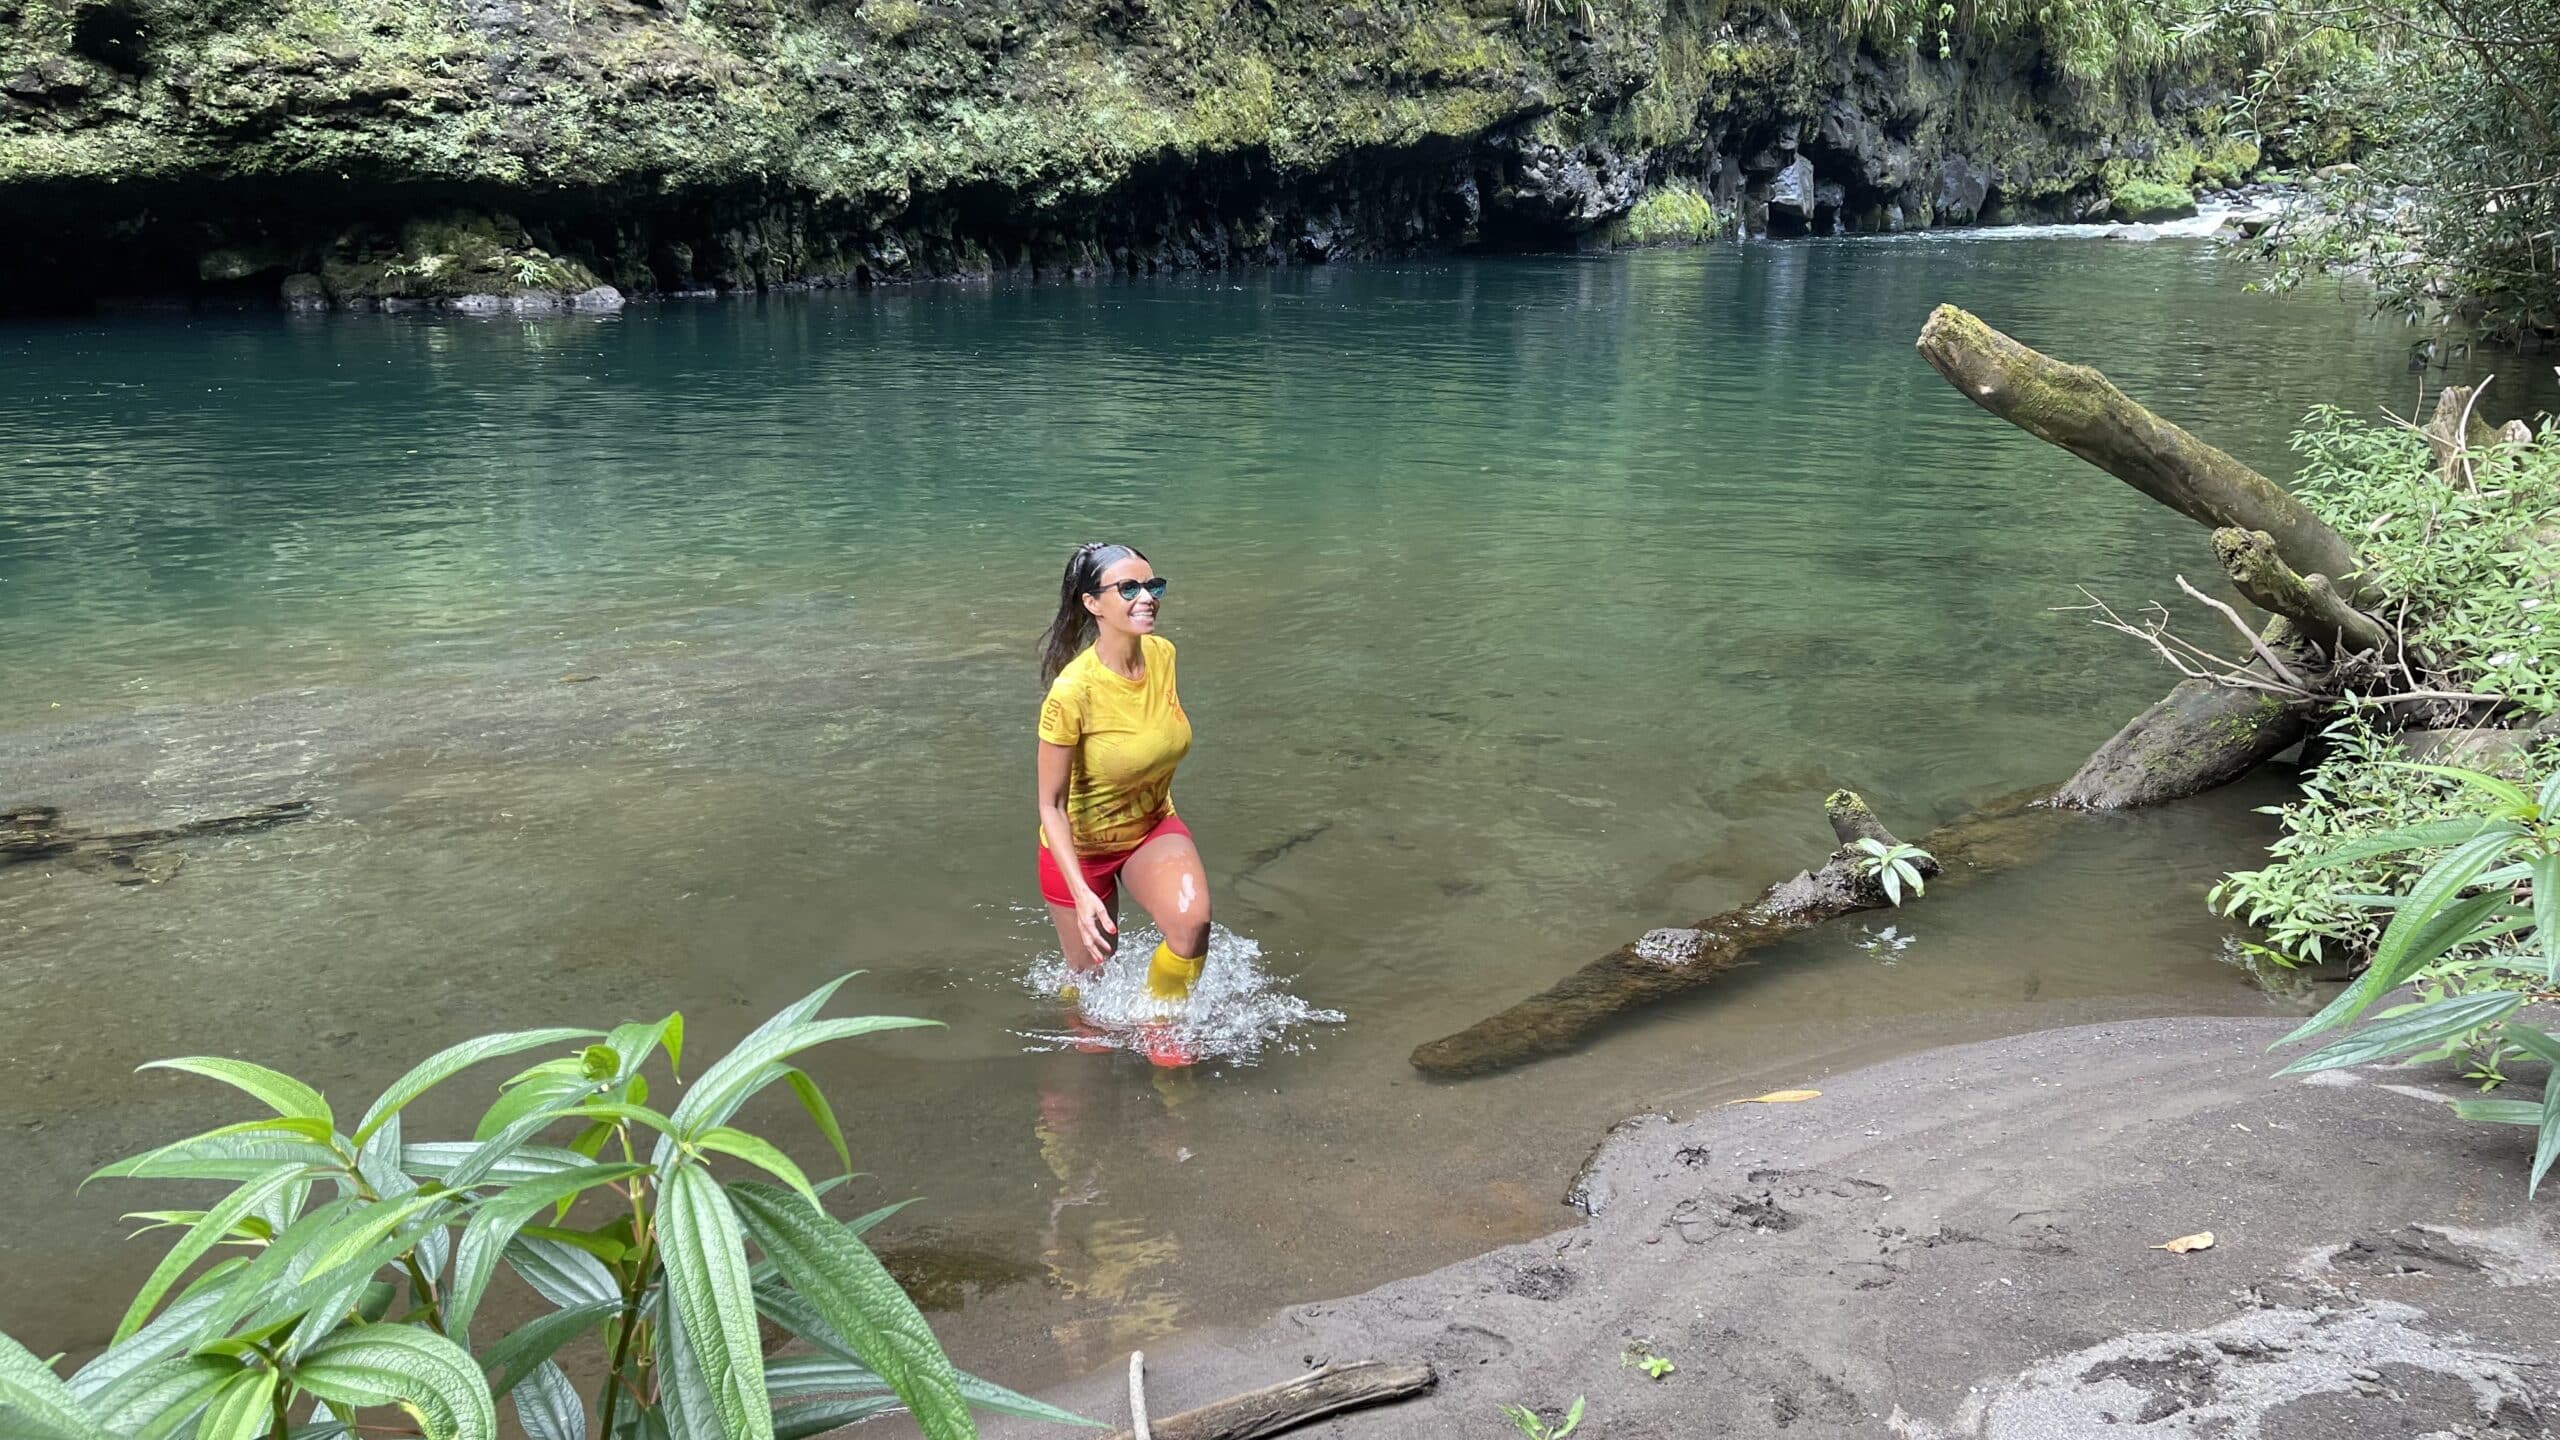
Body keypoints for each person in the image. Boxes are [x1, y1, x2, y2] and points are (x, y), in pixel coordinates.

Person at [1035, 541, 1212, 1010]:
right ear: (1092, 603)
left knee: (1191, 925)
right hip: (1082, 851)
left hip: (1151, 826)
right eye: (1128, 588)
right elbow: (1050, 805)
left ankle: (1162, 1029)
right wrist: (1082, 893)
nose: (1147, 596)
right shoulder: (1071, 692)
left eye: (1152, 585)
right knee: (1090, 992)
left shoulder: (1163, 655)